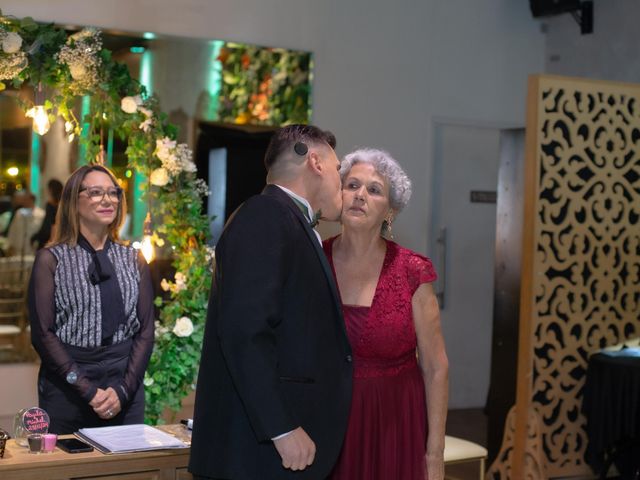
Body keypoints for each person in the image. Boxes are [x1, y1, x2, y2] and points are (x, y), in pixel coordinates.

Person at [189, 124, 353, 480]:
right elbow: (244, 332)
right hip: (259, 453)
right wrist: (281, 427)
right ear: (316, 162)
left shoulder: (286, 220)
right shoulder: (265, 216)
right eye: (338, 168)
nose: (341, 180)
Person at [323, 148, 449, 480]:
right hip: (328, 423)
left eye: (374, 190)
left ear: (389, 211)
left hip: (396, 424)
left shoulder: (412, 271)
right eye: (352, 185)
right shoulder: (313, 259)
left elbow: (436, 368)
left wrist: (434, 454)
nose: (360, 195)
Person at [28, 165, 155, 434]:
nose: (107, 199)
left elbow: (145, 331)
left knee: (126, 473)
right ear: (74, 201)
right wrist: (85, 388)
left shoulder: (133, 258)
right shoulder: (51, 260)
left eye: (113, 193)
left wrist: (124, 389)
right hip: (68, 387)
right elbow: (43, 334)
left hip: (124, 386)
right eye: (96, 192)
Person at [5, 190, 45, 256]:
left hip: (33, 251)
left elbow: (42, 233)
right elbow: (13, 230)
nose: (24, 201)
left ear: (32, 200)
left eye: (26, 199)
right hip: (18, 251)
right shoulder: (19, 213)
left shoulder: (41, 214)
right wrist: (10, 246)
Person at [31, 178, 64, 250]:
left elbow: (47, 225)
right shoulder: (64, 204)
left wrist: (36, 237)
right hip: (61, 238)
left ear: (51, 190)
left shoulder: (51, 205)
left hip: (50, 238)